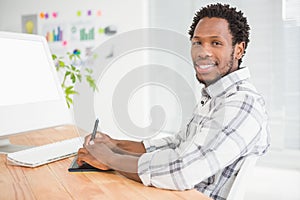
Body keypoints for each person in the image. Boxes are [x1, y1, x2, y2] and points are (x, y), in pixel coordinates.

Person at [77, 3, 270, 200]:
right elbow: (177, 146)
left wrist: (110, 159)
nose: (203, 52)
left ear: (239, 50)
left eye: (216, 43)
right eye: (197, 43)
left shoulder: (241, 103)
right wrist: (114, 146)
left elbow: (181, 172)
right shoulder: (215, 97)